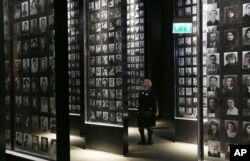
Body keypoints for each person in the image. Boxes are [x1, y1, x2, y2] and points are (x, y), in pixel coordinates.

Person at [137, 79, 158, 145]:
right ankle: (143, 139)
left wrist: (155, 111)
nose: (143, 83)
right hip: (141, 111)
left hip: (149, 111)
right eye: (143, 82)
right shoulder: (141, 92)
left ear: (149, 84)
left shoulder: (151, 92)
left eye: (145, 82)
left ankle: (150, 140)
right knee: (140, 127)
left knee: (149, 126)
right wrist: (138, 110)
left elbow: (154, 102)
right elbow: (139, 102)